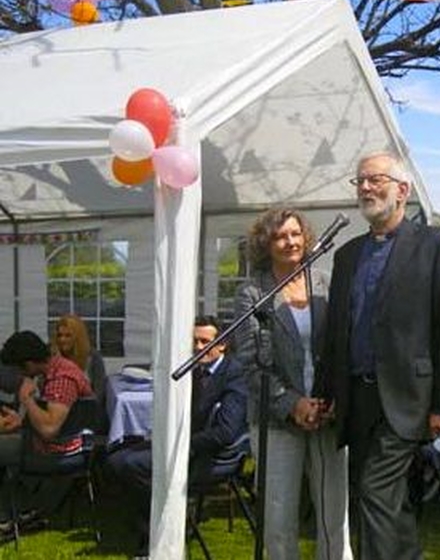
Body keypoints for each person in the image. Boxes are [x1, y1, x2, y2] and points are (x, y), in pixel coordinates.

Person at [320, 151, 440, 560]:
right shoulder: (347, 255)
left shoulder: (435, 244)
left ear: (402, 190)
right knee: (391, 501)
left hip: (409, 396)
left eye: (375, 180)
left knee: (375, 491)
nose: (365, 188)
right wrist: (327, 392)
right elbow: (337, 330)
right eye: (360, 181)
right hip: (358, 397)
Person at [234, 208, 352, 560]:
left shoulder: (325, 283)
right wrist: (293, 404)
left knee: (334, 515)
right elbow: (252, 365)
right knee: (278, 518)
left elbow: (341, 347)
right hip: (275, 420)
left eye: (295, 234)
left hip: (327, 415)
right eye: (280, 236)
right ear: (265, 244)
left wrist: (329, 399)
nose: (290, 242)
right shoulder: (252, 293)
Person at [107, 315, 248, 558]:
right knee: (117, 455)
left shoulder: (233, 374)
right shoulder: (193, 368)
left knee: (132, 465)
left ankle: (156, 534)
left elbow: (226, 432)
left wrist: (182, 445)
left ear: (222, 344)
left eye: (205, 342)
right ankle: (156, 523)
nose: (198, 347)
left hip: (211, 455)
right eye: (194, 341)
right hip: (186, 443)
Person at [0, 330, 94, 531]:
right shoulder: (53, 370)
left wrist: (26, 399)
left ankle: (9, 514)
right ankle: (18, 509)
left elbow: (49, 429)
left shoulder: (62, 379)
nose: (21, 375)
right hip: (56, 442)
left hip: (63, 451)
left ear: (29, 364)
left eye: (20, 370)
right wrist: (20, 422)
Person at [51, 314, 106, 404]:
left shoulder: (93, 357)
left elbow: (99, 393)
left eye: (68, 336)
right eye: (59, 335)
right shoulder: (51, 357)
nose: (62, 340)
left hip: (85, 409)